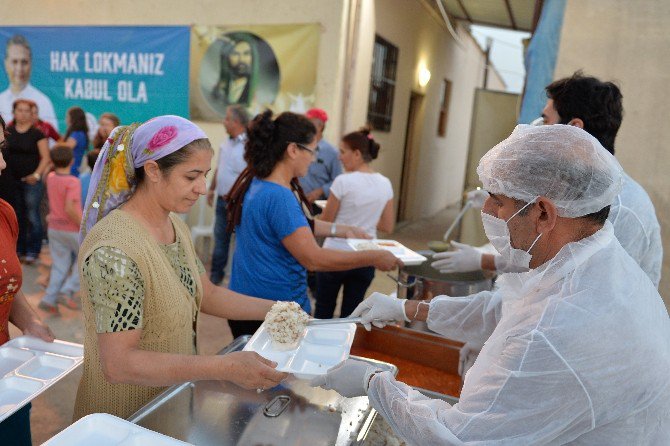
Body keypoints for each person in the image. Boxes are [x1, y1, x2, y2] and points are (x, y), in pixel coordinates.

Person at [312, 124, 670, 444]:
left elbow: (456, 436)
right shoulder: (591, 258)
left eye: (497, 201)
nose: (486, 212)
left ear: (544, 213)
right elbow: (509, 310)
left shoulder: (560, 327)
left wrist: (371, 382)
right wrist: (409, 307)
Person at [74, 115, 287, 420]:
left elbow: (207, 294)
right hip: (123, 418)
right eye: (191, 176)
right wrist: (223, 367)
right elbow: (118, 364)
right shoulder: (115, 251)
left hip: (168, 402)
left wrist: (282, 310)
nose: (202, 188)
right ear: (153, 170)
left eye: (205, 175)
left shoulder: (174, 225)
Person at [433, 72, 663, 288]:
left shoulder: (619, 208)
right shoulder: (582, 188)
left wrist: (486, 260)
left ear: (574, 129)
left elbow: (565, 273)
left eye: (545, 120)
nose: (538, 130)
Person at [225, 110, 401, 337]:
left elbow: (294, 228)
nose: (314, 158)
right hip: (271, 311)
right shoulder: (280, 196)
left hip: (247, 303)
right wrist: (374, 257)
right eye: (312, 150)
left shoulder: (258, 182)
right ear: (293, 150)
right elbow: (313, 258)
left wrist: (342, 229)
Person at [0, 113, 55, 446]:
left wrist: (30, 322)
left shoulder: (4, 213)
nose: (3, 165)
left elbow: (6, 283)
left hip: (7, 379)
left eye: (2, 149)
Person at [315, 128, 394, 318]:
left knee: (323, 310)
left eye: (342, 152)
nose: (339, 158)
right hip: (366, 255)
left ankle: (320, 346)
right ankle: (347, 346)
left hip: (335, 254)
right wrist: (365, 215)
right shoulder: (385, 183)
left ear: (357, 154)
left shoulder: (343, 181)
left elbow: (326, 222)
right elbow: (387, 226)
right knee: (352, 313)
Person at [0, 99, 49, 264]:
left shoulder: (38, 134)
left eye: (26, 110)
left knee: (33, 217)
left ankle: (33, 251)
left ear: (32, 113)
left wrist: (36, 175)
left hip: (31, 183)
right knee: (16, 215)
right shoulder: (9, 131)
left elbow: (46, 158)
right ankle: (18, 249)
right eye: (19, 110)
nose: (22, 113)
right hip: (10, 181)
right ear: (14, 112)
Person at [206, 105, 249, 285]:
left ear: (237, 122)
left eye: (227, 118)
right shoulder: (226, 142)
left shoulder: (250, 145)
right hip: (222, 201)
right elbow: (220, 168)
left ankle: (239, 281)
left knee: (241, 243)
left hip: (240, 203)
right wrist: (212, 188)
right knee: (220, 241)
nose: (224, 122)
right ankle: (216, 277)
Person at [37, 146, 82, 314]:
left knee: (59, 265)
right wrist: (83, 226)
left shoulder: (50, 177)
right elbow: (70, 207)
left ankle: (49, 299)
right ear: (72, 161)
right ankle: (67, 290)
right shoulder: (73, 182)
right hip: (73, 229)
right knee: (84, 261)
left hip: (54, 228)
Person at [0, 35, 58, 131]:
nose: (19, 68)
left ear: (31, 64)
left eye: (24, 62)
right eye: (14, 62)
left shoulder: (44, 102)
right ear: (6, 63)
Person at [299, 108, 343, 212]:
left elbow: (337, 180)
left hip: (316, 206)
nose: (306, 127)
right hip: (296, 202)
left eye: (310, 123)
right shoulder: (298, 146)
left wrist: (321, 191)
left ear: (320, 126)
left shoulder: (332, 152)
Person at [212, 34, 258, 107]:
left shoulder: (256, 96)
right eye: (235, 54)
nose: (241, 59)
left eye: (246, 54)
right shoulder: (220, 89)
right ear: (227, 58)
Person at [60, 106, 89, 176]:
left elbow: (64, 150)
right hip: (71, 169)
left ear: (73, 118)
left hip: (70, 171)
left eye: (67, 117)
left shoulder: (77, 134)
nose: (66, 119)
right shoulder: (79, 133)